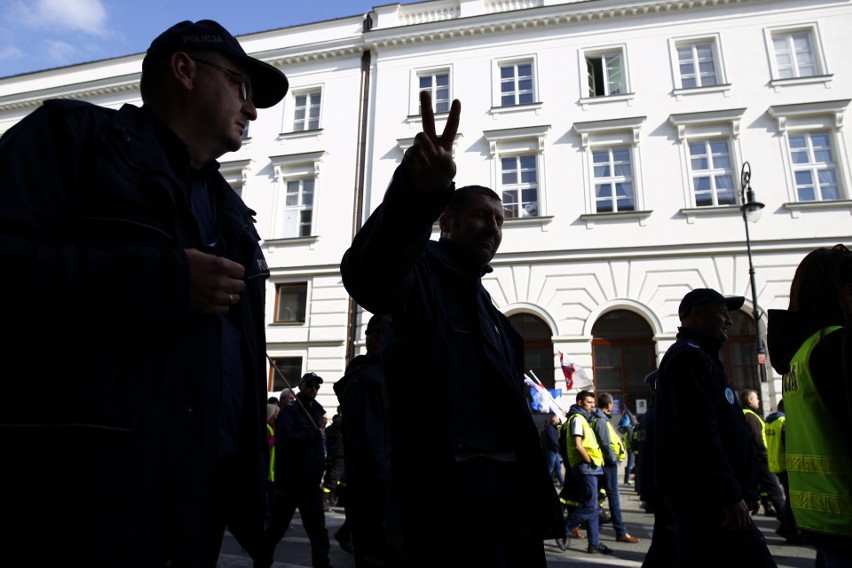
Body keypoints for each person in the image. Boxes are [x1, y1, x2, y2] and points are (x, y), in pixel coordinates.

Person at [0, 19, 288, 567]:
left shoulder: (232, 213)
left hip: (191, 506)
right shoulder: (72, 138)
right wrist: (162, 280)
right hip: (76, 500)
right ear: (183, 70)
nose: (252, 109)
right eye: (239, 85)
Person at [340, 90, 564, 567]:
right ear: (446, 222)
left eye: (500, 220)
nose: (493, 228)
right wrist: (416, 194)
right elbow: (368, 275)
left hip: (508, 507)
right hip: (450, 511)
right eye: (482, 216)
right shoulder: (420, 275)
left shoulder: (490, 311)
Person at [653, 288, 776, 567]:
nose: (729, 321)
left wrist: (745, 488)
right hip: (709, 502)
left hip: (711, 499)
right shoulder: (689, 358)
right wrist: (730, 495)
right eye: (722, 314)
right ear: (697, 316)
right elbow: (699, 435)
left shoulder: (703, 358)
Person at [767, 244, 852, 567]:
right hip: (845, 513)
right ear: (844, 290)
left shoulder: (800, 352)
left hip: (819, 515)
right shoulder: (835, 344)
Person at [334, 313, 404, 566]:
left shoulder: (380, 375)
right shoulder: (368, 382)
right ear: (376, 341)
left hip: (382, 495)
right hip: (378, 498)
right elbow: (374, 448)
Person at [259, 373, 333, 568]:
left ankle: (322, 564)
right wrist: (312, 434)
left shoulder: (317, 411)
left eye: (317, 386)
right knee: (277, 526)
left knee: (318, 528)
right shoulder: (290, 412)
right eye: (310, 385)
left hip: (311, 481)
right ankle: (263, 560)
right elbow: (286, 440)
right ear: (301, 385)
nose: (313, 389)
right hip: (292, 481)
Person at [557, 390, 614, 555]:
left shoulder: (584, 419)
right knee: (589, 506)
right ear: (580, 402)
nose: (592, 405)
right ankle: (563, 529)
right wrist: (589, 460)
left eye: (592, 402)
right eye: (589, 402)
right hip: (586, 467)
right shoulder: (577, 419)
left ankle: (594, 543)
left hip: (592, 468)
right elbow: (578, 444)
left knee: (594, 507)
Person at [591, 392, 641, 544]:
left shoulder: (601, 419)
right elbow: (605, 444)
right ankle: (620, 531)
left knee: (596, 497)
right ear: (609, 405)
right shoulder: (600, 420)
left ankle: (590, 524)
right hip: (608, 464)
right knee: (613, 499)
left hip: (606, 463)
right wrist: (613, 459)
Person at [739, 389, 786, 520]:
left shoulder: (743, 414)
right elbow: (758, 440)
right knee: (775, 491)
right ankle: (789, 527)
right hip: (761, 459)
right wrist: (765, 455)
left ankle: (769, 509)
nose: (758, 401)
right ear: (749, 400)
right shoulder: (751, 417)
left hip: (754, 459)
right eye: (756, 398)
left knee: (764, 488)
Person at [764, 398, 802, 543]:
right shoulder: (783, 422)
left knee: (789, 498)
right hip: (788, 465)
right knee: (792, 500)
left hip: (776, 463)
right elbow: (790, 443)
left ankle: (786, 527)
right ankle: (789, 529)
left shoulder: (770, 421)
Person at [321, 406, 345, 511]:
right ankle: (323, 501)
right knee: (332, 479)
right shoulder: (342, 424)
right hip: (340, 456)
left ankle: (340, 499)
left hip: (338, 456)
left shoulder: (332, 427)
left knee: (341, 479)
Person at [542, 413, 565, 487]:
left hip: (554, 451)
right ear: (554, 420)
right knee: (550, 468)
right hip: (551, 451)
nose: (559, 421)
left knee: (557, 468)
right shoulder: (550, 429)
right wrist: (559, 448)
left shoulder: (552, 428)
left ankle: (562, 483)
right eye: (558, 420)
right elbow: (553, 440)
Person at [618, 407, 637, 485]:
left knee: (630, 464)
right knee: (630, 464)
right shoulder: (630, 429)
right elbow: (631, 439)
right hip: (631, 448)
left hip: (629, 447)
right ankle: (627, 479)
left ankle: (627, 479)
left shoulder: (626, 429)